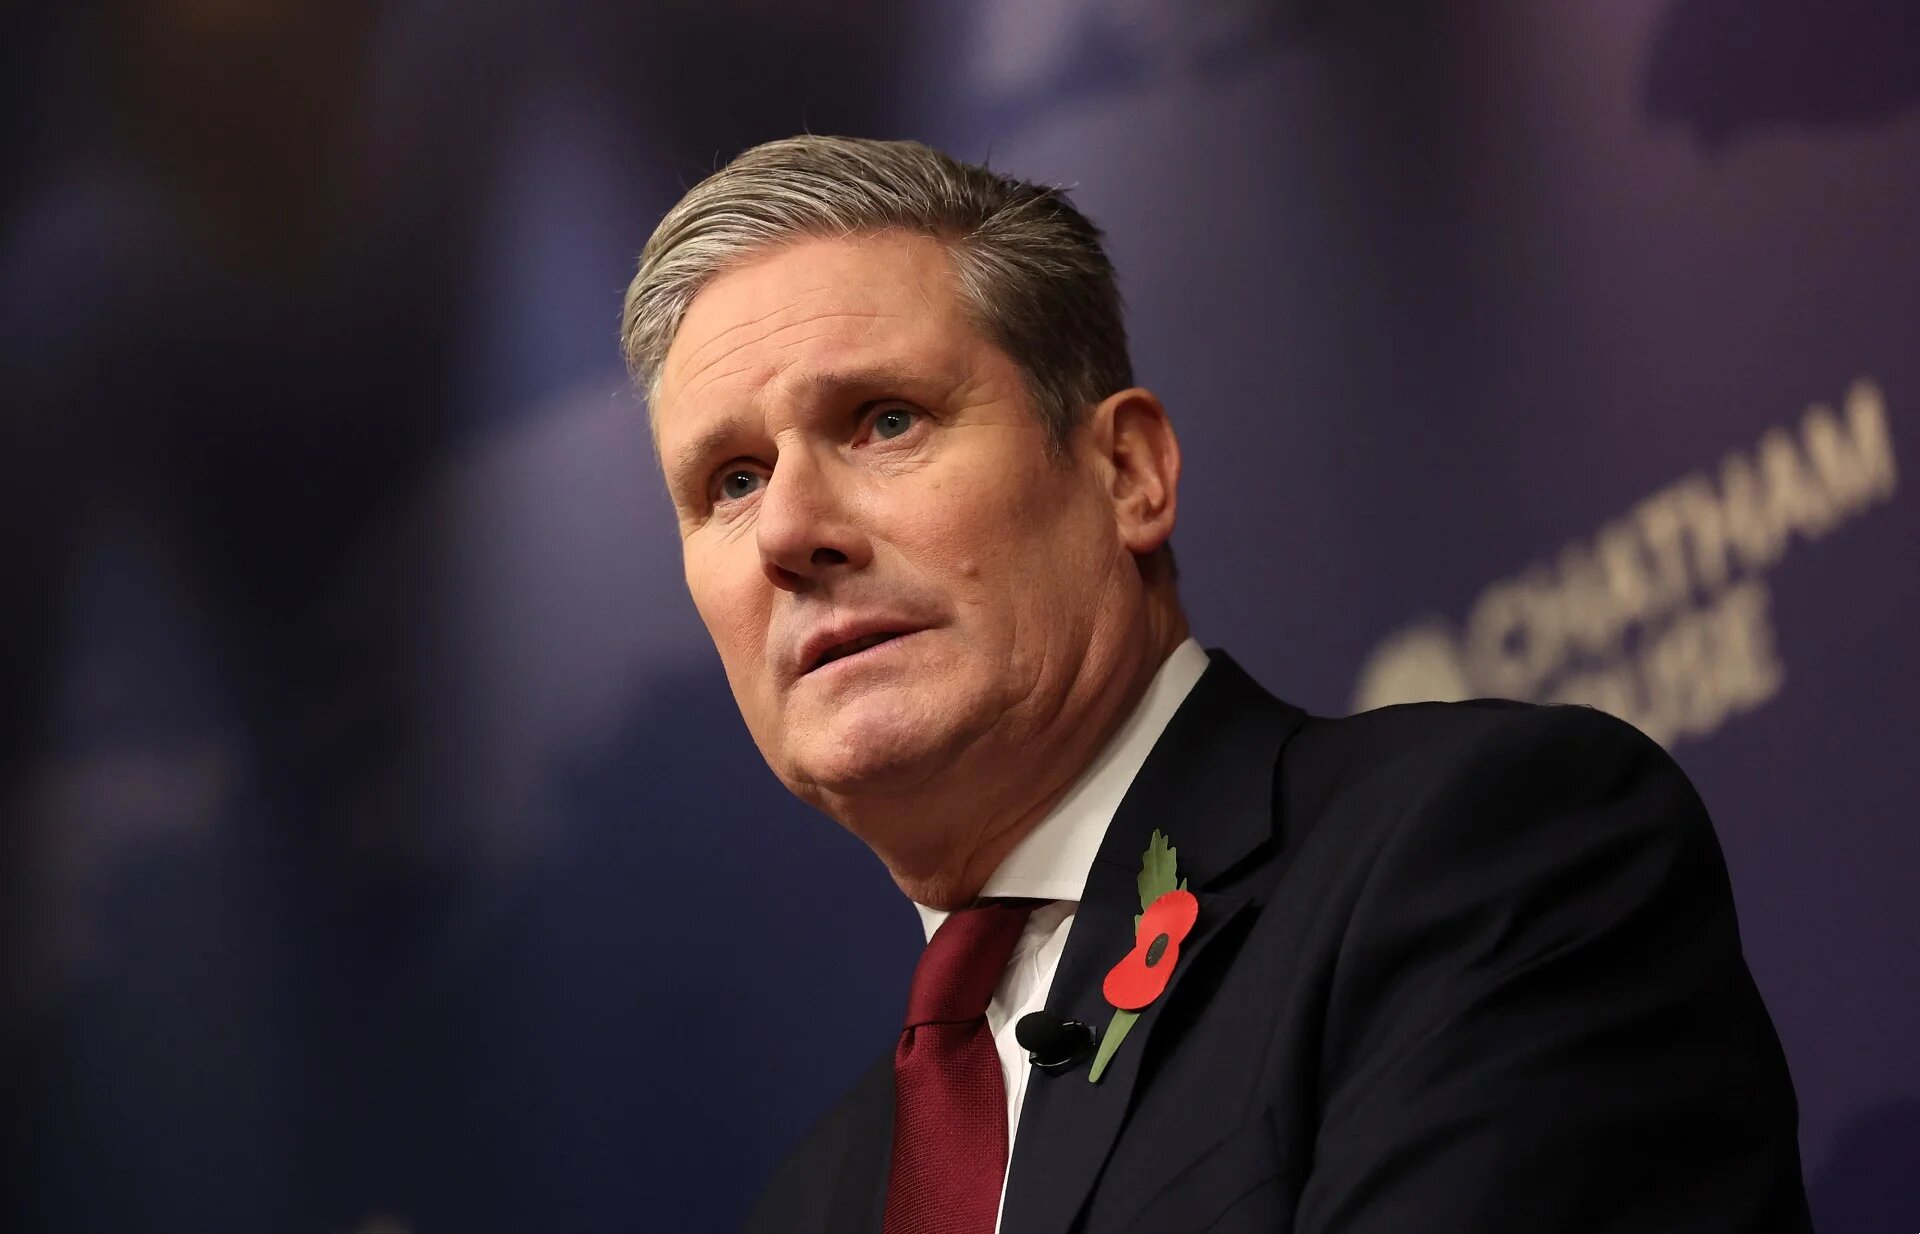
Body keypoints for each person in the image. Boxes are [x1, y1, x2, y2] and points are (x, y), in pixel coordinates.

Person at [620, 135, 1812, 1234]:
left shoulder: (1486, 852)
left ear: (1127, 472)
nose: (787, 530)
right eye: (728, 481)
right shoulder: (815, 1202)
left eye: (884, 420)